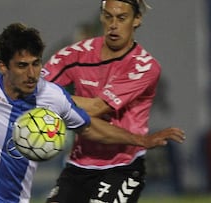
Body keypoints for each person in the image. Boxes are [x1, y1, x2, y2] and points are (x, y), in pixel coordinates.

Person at [0, 23, 184, 203]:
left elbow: (88, 127)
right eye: (21, 66)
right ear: (3, 66)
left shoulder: (51, 96)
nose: (31, 74)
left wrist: (141, 140)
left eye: (35, 64)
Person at [42, 0, 175, 202]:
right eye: (108, 16)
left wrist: (51, 98)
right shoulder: (76, 54)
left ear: (137, 20)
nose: (113, 24)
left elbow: (97, 107)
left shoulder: (144, 66)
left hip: (122, 167)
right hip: (79, 165)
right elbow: (35, 89)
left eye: (122, 18)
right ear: (101, 17)